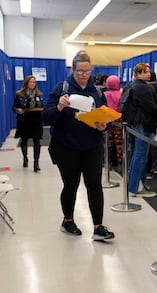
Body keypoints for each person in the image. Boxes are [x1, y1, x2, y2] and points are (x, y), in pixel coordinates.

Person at [42, 50, 115, 241]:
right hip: (66, 148)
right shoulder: (62, 88)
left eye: (87, 71)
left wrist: (103, 126)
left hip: (92, 146)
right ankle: (68, 220)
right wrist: (59, 107)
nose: (84, 75)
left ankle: (98, 227)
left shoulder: (97, 91)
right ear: (73, 70)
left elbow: (104, 118)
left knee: (94, 185)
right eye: (80, 71)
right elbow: (46, 117)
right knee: (71, 185)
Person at [127, 63, 157, 198]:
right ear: (139, 73)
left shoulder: (134, 86)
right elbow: (151, 106)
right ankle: (134, 187)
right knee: (140, 156)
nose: (149, 74)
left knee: (139, 155)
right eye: (146, 72)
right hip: (144, 123)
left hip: (138, 123)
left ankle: (137, 184)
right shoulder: (143, 88)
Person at [12, 75, 44, 172]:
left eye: (34, 82)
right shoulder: (20, 94)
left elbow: (43, 106)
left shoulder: (39, 94)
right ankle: (25, 158)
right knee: (24, 141)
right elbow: (13, 107)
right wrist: (18, 110)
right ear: (26, 83)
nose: (32, 84)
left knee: (37, 142)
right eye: (31, 82)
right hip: (24, 120)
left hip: (36, 121)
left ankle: (36, 163)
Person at [104, 75, 123, 171]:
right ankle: (120, 164)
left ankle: (108, 162)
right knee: (119, 143)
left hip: (107, 118)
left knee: (108, 142)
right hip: (119, 119)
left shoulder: (105, 94)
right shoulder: (121, 94)